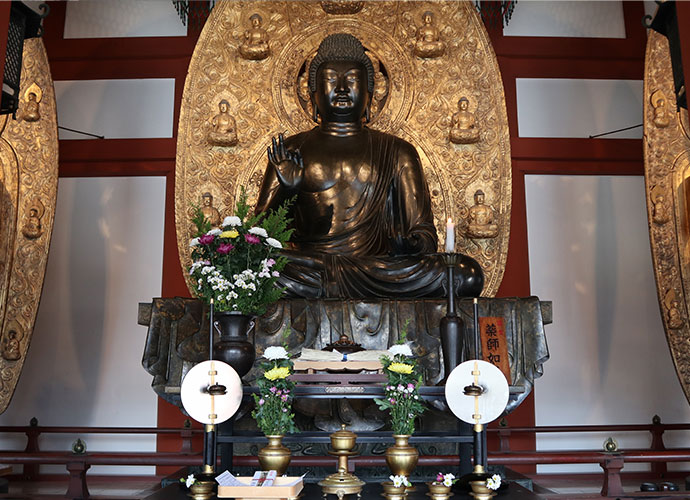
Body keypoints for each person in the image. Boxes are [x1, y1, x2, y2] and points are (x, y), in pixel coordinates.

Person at [255, 33, 483, 299]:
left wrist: (409, 245)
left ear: (370, 93)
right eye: (331, 80)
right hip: (310, 266)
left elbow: (424, 235)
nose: (342, 89)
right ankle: (326, 281)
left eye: (352, 80)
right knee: (254, 265)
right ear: (312, 93)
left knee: (465, 273)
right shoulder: (291, 151)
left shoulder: (398, 151)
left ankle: (327, 285)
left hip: (376, 270)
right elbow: (257, 237)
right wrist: (286, 192)